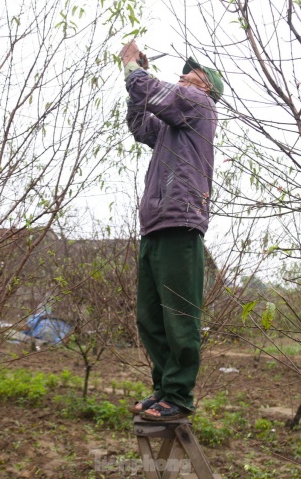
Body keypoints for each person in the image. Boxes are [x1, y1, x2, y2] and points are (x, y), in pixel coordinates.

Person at [119, 40, 224, 421]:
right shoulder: (173, 121)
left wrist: (134, 68)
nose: (183, 74)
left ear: (208, 86)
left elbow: (153, 90)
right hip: (155, 225)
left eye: (192, 71)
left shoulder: (199, 104)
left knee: (179, 314)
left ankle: (178, 396)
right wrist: (134, 77)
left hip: (181, 219)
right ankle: (163, 388)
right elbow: (138, 123)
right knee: (150, 317)